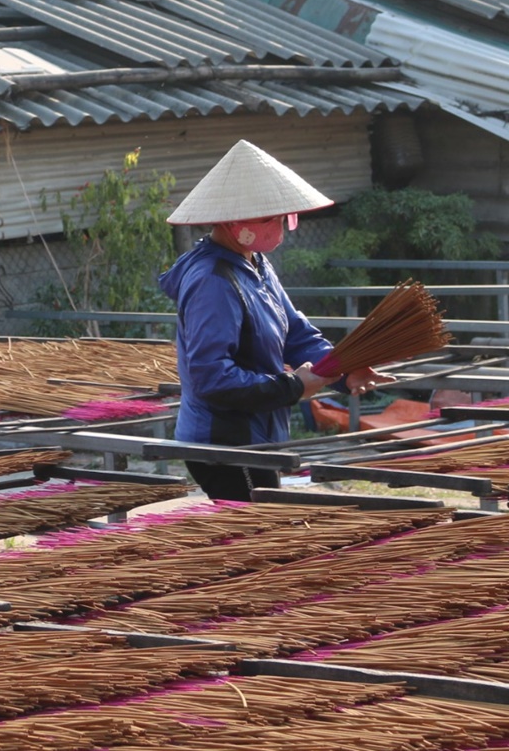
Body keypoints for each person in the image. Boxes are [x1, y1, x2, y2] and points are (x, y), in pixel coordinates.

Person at [157, 140, 388, 501]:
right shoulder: (211, 281)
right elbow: (212, 378)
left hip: (256, 435)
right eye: (270, 219)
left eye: (284, 218)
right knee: (257, 537)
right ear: (234, 223)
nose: (280, 227)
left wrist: (343, 370)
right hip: (224, 443)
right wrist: (293, 387)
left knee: (261, 534)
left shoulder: (255, 264)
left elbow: (295, 333)